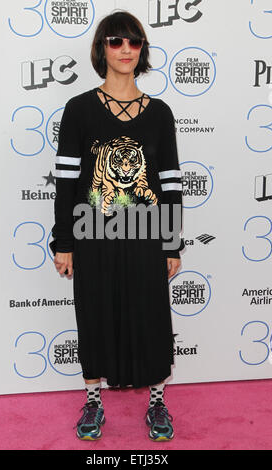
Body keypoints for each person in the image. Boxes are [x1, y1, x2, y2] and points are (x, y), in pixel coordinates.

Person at [50, 10, 184, 442]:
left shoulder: (160, 113)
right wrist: (63, 242)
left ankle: (158, 401)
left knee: (151, 317)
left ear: (142, 50)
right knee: (95, 316)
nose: (125, 49)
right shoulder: (78, 110)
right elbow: (67, 183)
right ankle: (93, 400)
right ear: (102, 49)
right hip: (93, 234)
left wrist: (171, 243)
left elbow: (170, 182)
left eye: (134, 41)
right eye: (115, 41)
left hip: (146, 235)